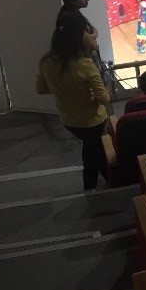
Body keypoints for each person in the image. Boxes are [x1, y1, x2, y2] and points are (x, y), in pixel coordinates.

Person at [36, 13, 109, 191]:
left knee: (95, 149)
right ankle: (91, 188)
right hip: (93, 120)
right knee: (92, 153)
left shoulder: (46, 61)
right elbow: (104, 99)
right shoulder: (86, 65)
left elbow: (41, 89)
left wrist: (66, 91)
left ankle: (109, 178)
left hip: (68, 120)